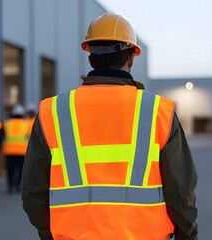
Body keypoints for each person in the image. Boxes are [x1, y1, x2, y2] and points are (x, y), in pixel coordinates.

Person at [22, 12, 198, 240]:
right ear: (131, 57)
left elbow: (32, 192)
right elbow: (181, 192)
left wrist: (49, 234)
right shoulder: (158, 111)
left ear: (90, 57)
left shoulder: (53, 111)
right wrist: (188, 235)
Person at [2, 104, 28, 193]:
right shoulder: (26, 123)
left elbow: (2, 135)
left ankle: (10, 186)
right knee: (21, 170)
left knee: (10, 170)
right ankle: (18, 186)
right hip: (22, 151)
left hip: (10, 151)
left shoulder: (7, 123)